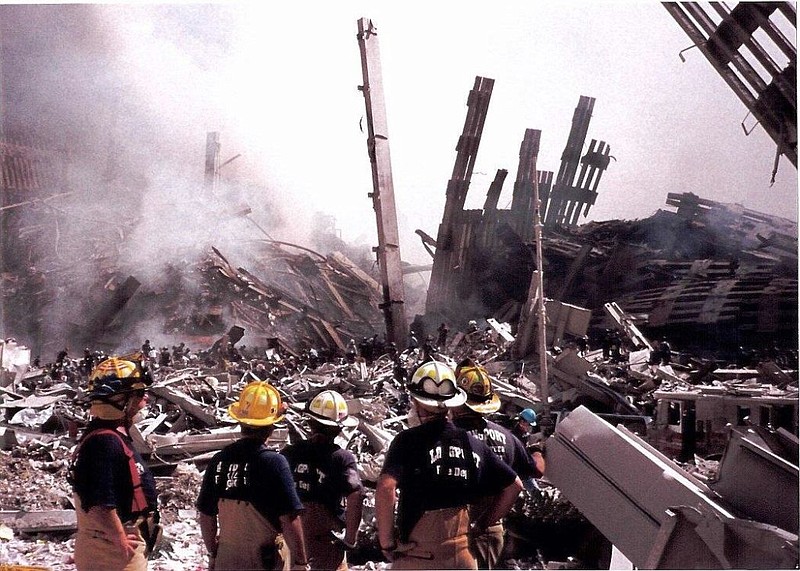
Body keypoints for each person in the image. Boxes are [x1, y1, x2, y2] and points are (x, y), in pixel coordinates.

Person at [376, 360, 523, 569]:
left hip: (420, 556)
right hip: (463, 556)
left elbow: (385, 487)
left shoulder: (407, 441)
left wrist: (387, 542)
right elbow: (514, 485)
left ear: (416, 402)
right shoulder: (471, 443)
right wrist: (482, 525)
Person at [197, 381, 309, 571]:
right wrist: (301, 563)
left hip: (227, 561)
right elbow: (289, 519)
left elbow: (206, 515)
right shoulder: (274, 463)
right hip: (263, 561)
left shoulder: (219, 460)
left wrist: (213, 554)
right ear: (271, 426)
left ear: (240, 422)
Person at [69, 357, 160, 571]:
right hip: (113, 554)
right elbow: (100, 500)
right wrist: (120, 539)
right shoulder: (105, 441)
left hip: (115, 548)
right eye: (139, 394)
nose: (145, 399)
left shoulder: (110, 435)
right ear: (121, 400)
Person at [451, 359, 540, 569]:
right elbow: (531, 473)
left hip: (451, 530)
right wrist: (538, 449)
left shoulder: (445, 436)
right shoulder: (508, 438)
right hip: (489, 531)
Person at [282, 390, 364, 571]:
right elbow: (356, 494)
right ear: (340, 428)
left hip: (293, 538)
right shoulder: (342, 458)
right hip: (325, 541)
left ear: (310, 423)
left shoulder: (289, 453)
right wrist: (350, 538)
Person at [511, 409, 546, 478]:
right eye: (529, 424)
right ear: (522, 422)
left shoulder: (524, 433)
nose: (530, 427)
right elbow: (518, 451)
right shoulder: (515, 435)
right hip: (517, 468)